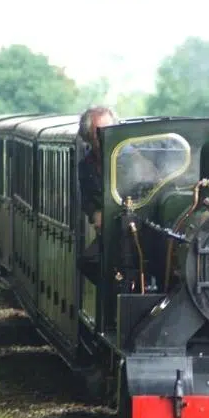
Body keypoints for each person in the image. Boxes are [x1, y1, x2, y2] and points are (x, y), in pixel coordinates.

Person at [77, 106, 118, 285]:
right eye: (99, 133)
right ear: (88, 137)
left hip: (134, 225)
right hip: (109, 229)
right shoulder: (86, 165)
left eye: (109, 130)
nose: (105, 137)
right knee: (88, 261)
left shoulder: (132, 157)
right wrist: (95, 213)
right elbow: (86, 199)